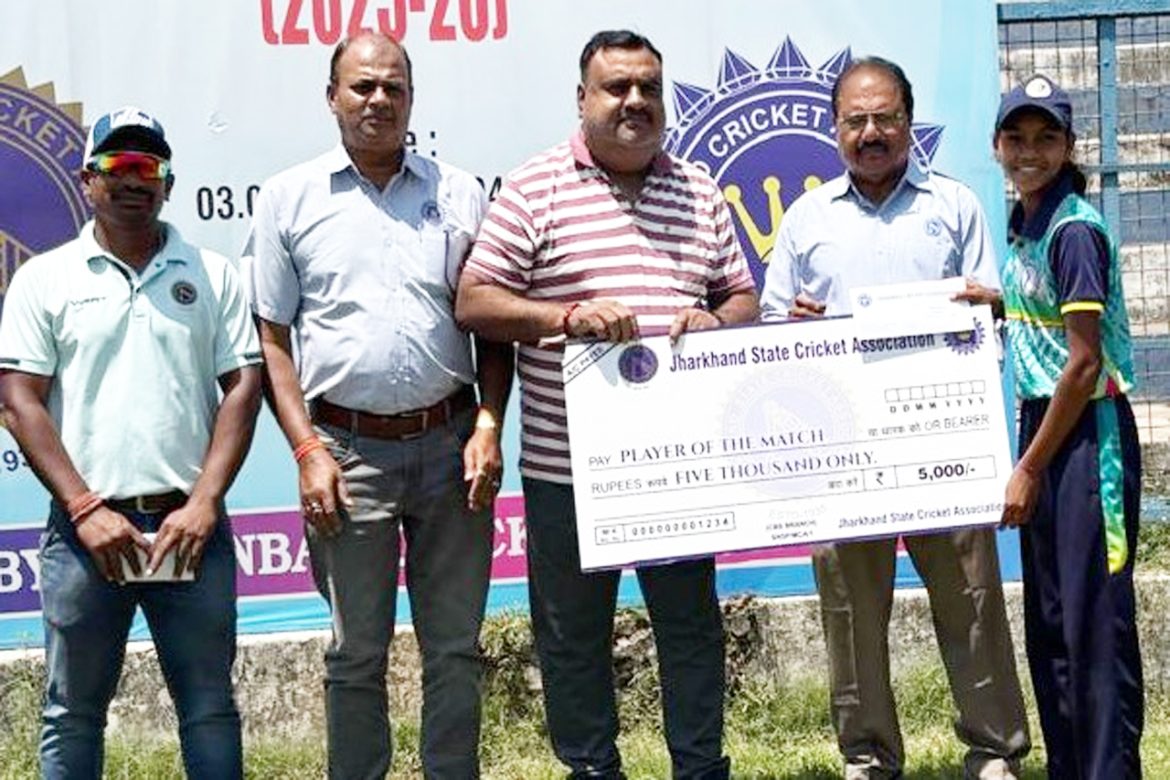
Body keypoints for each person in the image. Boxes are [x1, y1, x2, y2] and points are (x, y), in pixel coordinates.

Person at [456, 29, 758, 780]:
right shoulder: (534, 188)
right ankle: (592, 769)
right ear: (582, 98)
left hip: (677, 464)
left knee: (690, 629)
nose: (635, 101)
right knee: (571, 637)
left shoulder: (699, 190)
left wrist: (716, 320)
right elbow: (475, 300)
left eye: (649, 88)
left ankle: (700, 767)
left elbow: (742, 295)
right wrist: (565, 316)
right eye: (617, 87)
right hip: (569, 470)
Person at [243, 31, 512, 780]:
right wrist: (306, 450)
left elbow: (491, 325)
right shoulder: (289, 198)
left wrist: (489, 423)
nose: (378, 100)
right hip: (345, 455)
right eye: (362, 86)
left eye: (393, 86)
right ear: (331, 97)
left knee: (454, 647)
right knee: (354, 652)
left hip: (452, 444)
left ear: (412, 99)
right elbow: (272, 340)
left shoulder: (459, 194)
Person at [759, 57, 1031, 779]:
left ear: (910, 123)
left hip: (938, 438)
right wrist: (794, 328)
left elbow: (996, 311)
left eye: (885, 118)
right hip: (843, 448)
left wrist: (986, 312)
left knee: (971, 599)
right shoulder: (807, 218)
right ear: (835, 128)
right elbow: (769, 326)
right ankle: (868, 755)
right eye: (856, 120)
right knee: (850, 610)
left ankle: (993, 750)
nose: (871, 133)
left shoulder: (955, 205)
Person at [0, 106, 262, 779]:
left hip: (189, 531)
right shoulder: (44, 278)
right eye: (117, 165)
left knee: (209, 708)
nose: (133, 180)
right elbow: (20, 401)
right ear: (88, 179)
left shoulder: (212, 274)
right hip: (86, 537)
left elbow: (243, 387)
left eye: (148, 166)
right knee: (71, 714)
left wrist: (204, 503)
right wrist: (85, 509)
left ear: (168, 182)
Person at [995, 74, 1144, 779]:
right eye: (1016, 137)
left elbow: (1083, 365)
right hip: (1047, 421)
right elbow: (1045, 312)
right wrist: (991, 301)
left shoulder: (1073, 229)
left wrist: (1028, 467)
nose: (1030, 151)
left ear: (1069, 146)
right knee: (1052, 619)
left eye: (1045, 138)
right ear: (997, 146)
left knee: (1093, 623)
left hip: (1087, 433)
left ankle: (1108, 767)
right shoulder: (1027, 219)